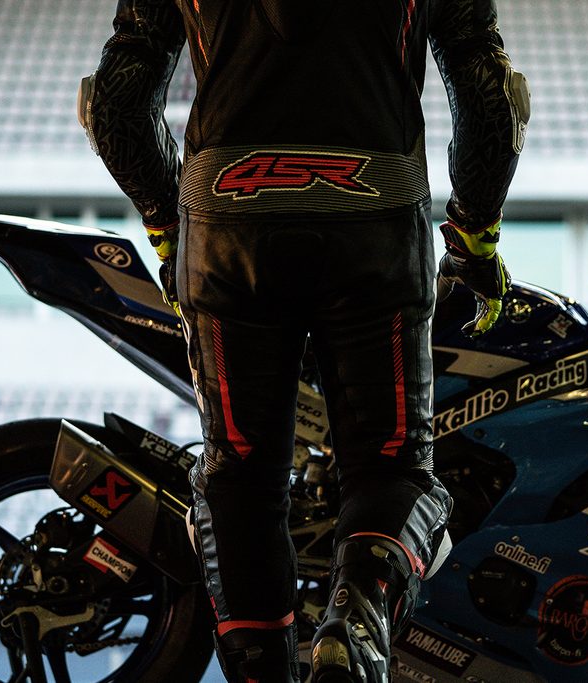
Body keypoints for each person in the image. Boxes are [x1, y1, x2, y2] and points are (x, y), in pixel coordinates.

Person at [80, 1, 528, 680]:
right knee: (394, 471)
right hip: (377, 223)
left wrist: (170, 229)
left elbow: (117, 104)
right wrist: (475, 236)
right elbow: (490, 96)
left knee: (238, 476)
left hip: (225, 224)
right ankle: (355, 623)